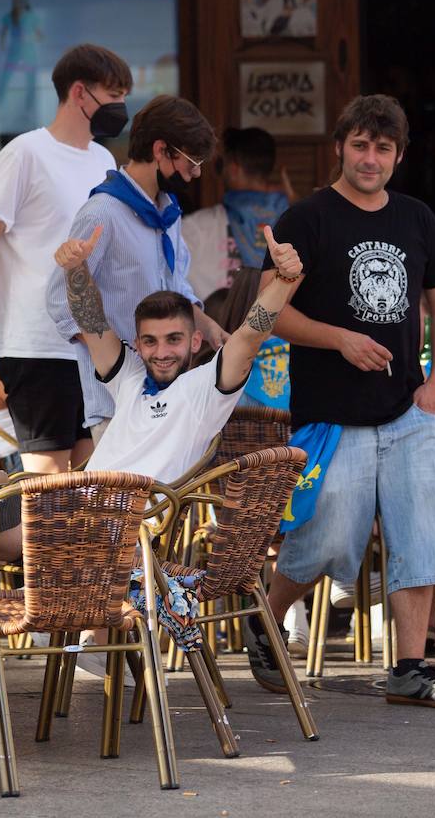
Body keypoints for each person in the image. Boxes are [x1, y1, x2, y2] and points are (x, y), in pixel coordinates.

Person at [250, 94, 435, 710]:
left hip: (409, 410)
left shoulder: (417, 218)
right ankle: (266, 620)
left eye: (382, 148)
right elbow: (270, 314)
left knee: (423, 534)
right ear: (340, 148)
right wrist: (340, 340)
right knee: (327, 540)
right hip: (330, 414)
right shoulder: (307, 219)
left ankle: (410, 667)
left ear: (398, 156)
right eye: (359, 145)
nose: (369, 158)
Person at [64, 220, 304, 651]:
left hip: (124, 526)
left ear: (196, 341)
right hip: (77, 511)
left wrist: (284, 280)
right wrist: (76, 271)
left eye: (174, 339)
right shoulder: (130, 375)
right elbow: (90, 319)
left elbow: (251, 334)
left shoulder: (208, 388)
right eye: (151, 341)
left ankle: (73, 640)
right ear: (138, 344)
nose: (162, 352)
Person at [0, 44, 133, 475]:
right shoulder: (24, 154)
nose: (121, 107)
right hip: (35, 343)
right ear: (80, 93)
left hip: (92, 344)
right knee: (48, 484)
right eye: (113, 95)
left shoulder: (103, 160)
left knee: (92, 480)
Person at [46, 95, 226, 434]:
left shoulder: (168, 212)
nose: (195, 174)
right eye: (190, 162)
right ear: (161, 150)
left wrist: (210, 327)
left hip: (170, 394)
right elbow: (61, 300)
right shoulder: (103, 212)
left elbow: (176, 289)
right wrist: (118, 362)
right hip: (116, 403)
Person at [182, 126, 295, 299]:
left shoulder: (194, 227)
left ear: (233, 169)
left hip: (217, 323)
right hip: (280, 321)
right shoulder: (297, 218)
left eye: (221, 165)